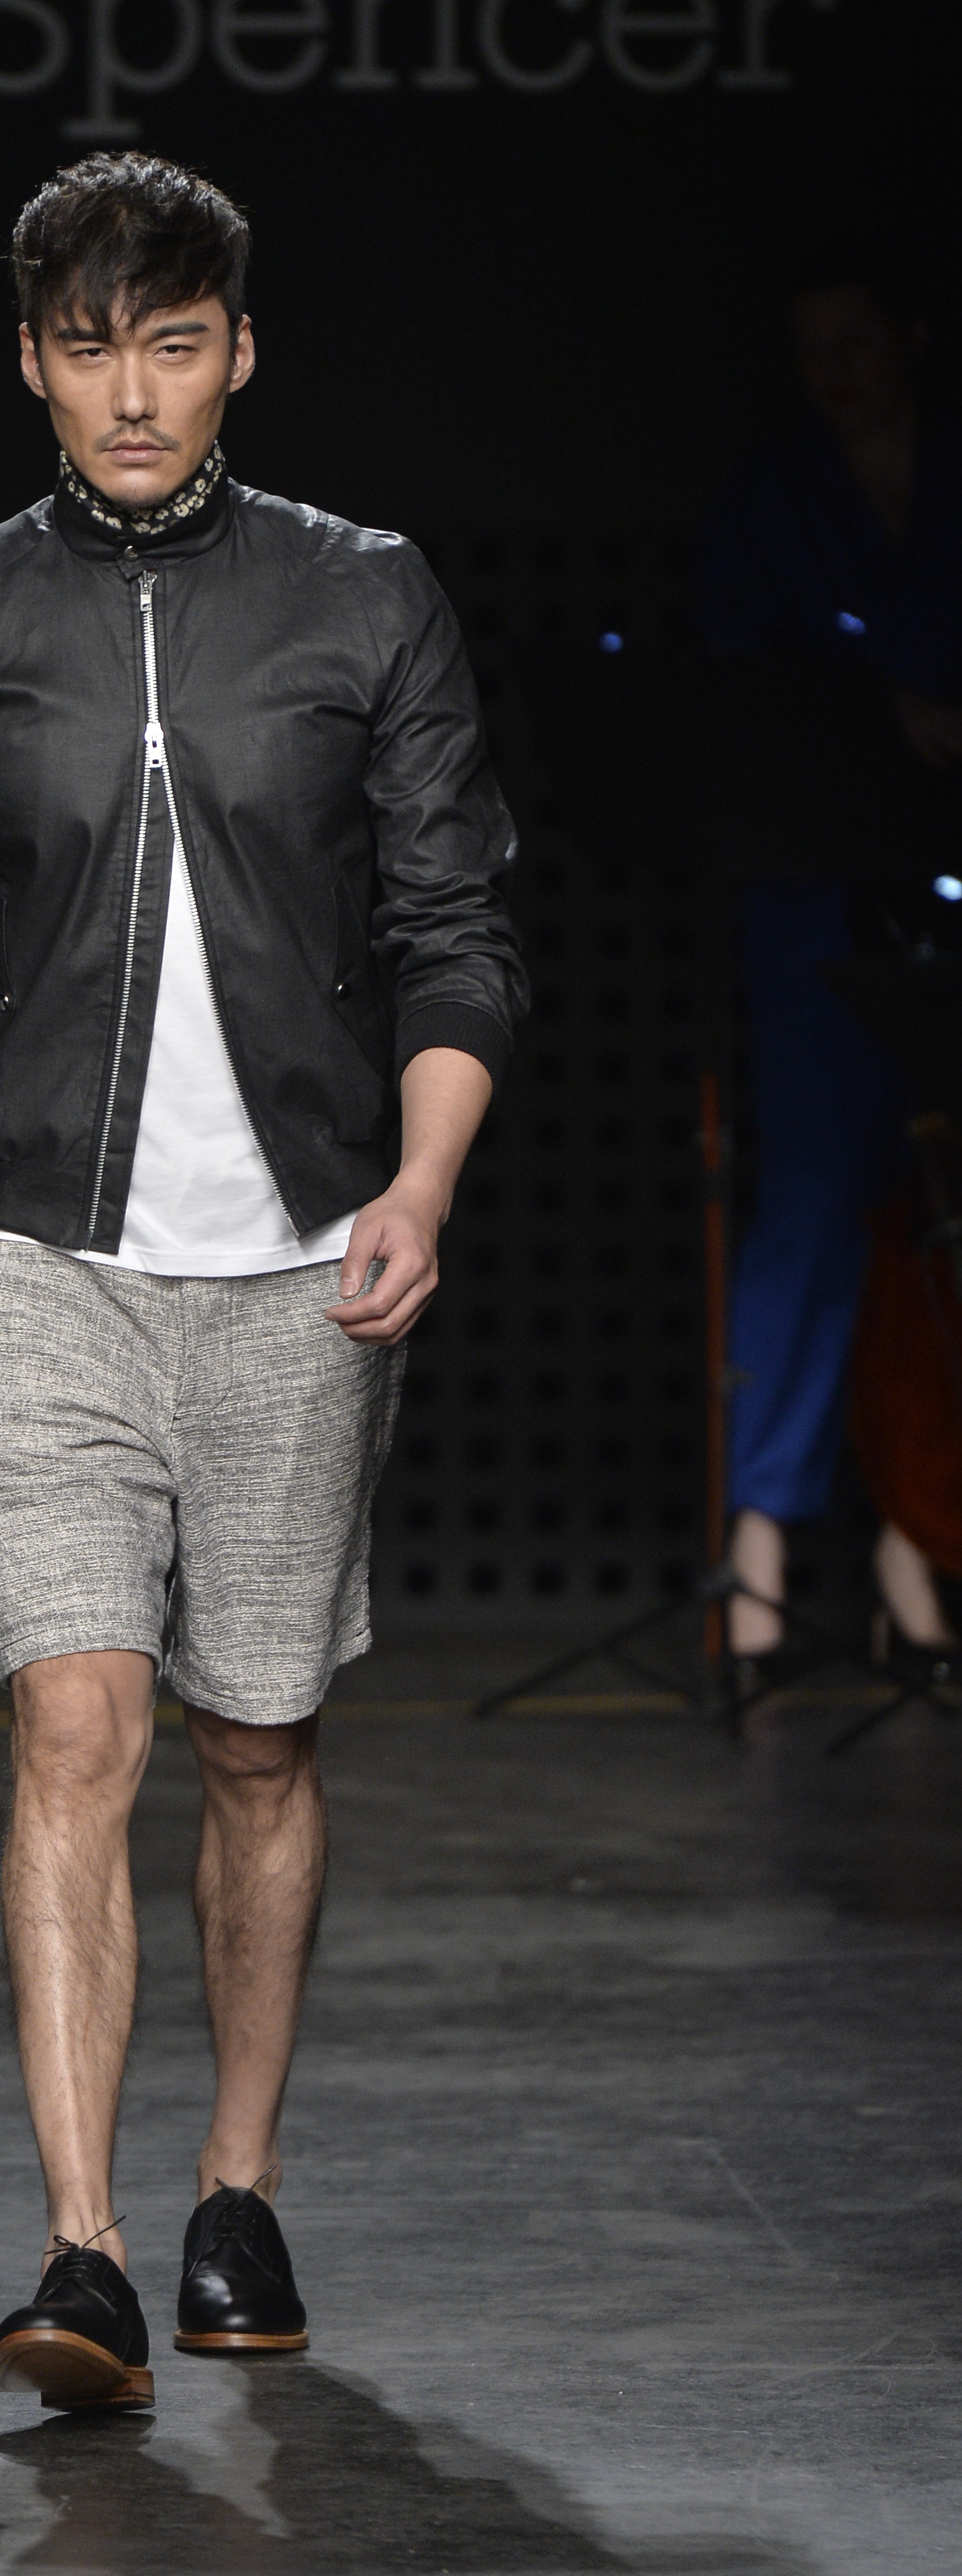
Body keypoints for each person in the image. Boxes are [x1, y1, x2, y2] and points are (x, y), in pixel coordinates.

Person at [0, 152, 526, 2411]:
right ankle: (85, 2251)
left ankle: (236, 2188)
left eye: (177, 344)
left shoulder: (365, 596)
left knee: (257, 1737)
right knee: (74, 1726)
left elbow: (456, 926)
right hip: (37, 1261)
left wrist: (422, 1182)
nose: (134, 394)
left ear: (242, 353)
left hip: (306, 1268)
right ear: (30, 362)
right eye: (90, 348)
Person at [697, 242, 961, 1671]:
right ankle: (761, 1555)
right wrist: (878, 716)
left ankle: (917, 1540)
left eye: (857, 341)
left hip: (948, 882)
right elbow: (743, 693)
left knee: (935, 1214)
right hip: (816, 899)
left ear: (909, 337)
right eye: (814, 350)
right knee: (809, 1201)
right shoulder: (773, 501)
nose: (837, 373)